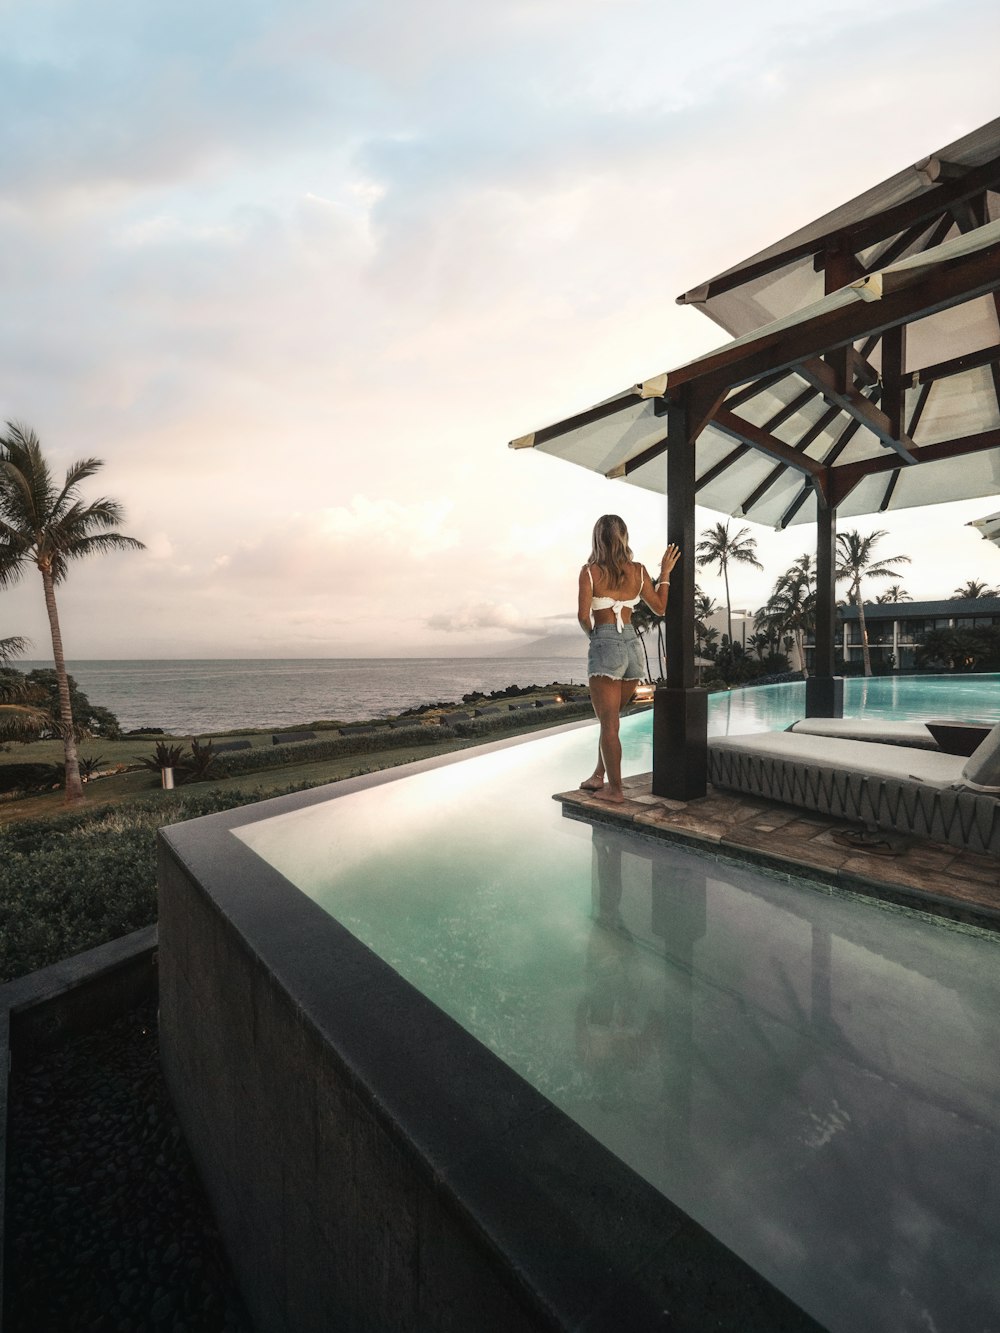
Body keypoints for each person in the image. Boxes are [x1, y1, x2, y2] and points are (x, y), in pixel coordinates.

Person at [577, 515, 680, 803]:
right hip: (633, 646)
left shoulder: (590, 572)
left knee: (609, 724)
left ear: (598, 538)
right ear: (624, 537)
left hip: (606, 643)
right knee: (612, 721)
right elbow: (660, 607)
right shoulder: (639, 571)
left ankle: (616, 790)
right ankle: (599, 776)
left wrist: (597, 637)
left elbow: (584, 617)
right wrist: (666, 571)